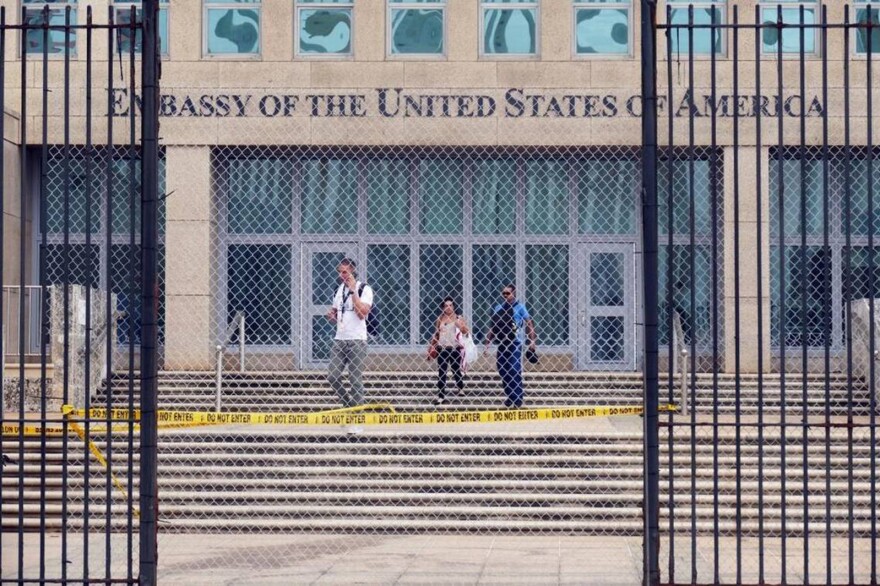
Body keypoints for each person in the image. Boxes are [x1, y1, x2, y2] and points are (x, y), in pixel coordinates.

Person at [326, 258, 373, 433]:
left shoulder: (364, 289)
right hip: (340, 339)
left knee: (355, 379)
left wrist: (353, 291)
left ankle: (357, 420)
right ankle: (348, 406)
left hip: (357, 340)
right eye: (340, 271)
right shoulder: (338, 290)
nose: (341, 275)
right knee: (332, 376)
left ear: (353, 272)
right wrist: (332, 315)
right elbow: (337, 312)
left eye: (345, 272)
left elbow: (362, 314)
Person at [484, 284, 536, 409]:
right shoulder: (498, 308)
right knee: (503, 370)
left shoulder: (520, 307)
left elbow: (529, 323)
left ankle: (517, 398)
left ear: (514, 293)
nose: (505, 295)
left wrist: (532, 341)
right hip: (502, 343)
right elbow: (493, 326)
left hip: (515, 343)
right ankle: (510, 395)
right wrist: (487, 343)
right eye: (504, 293)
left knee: (514, 369)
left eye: (508, 293)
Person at [427, 297, 470, 406]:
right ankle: (441, 396)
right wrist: (431, 347)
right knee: (442, 372)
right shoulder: (440, 319)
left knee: (456, 370)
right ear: (443, 308)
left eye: (450, 305)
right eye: (446, 306)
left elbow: (466, 332)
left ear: (454, 306)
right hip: (442, 349)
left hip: (455, 348)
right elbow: (436, 334)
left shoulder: (458, 318)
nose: (449, 307)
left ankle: (460, 387)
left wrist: (460, 325)